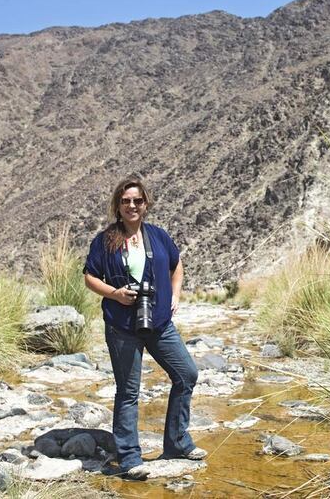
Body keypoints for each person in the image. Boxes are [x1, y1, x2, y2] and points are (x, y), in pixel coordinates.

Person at [83, 177, 206, 479]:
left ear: (145, 204)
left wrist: (175, 296)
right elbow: (89, 276)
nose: (132, 206)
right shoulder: (105, 240)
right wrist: (114, 293)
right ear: (118, 205)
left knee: (187, 374)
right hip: (122, 325)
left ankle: (177, 442)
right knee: (128, 391)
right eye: (126, 201)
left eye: (137, 200)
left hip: (160, 322)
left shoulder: (158, 236)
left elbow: (176, 265)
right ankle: (129, 458)